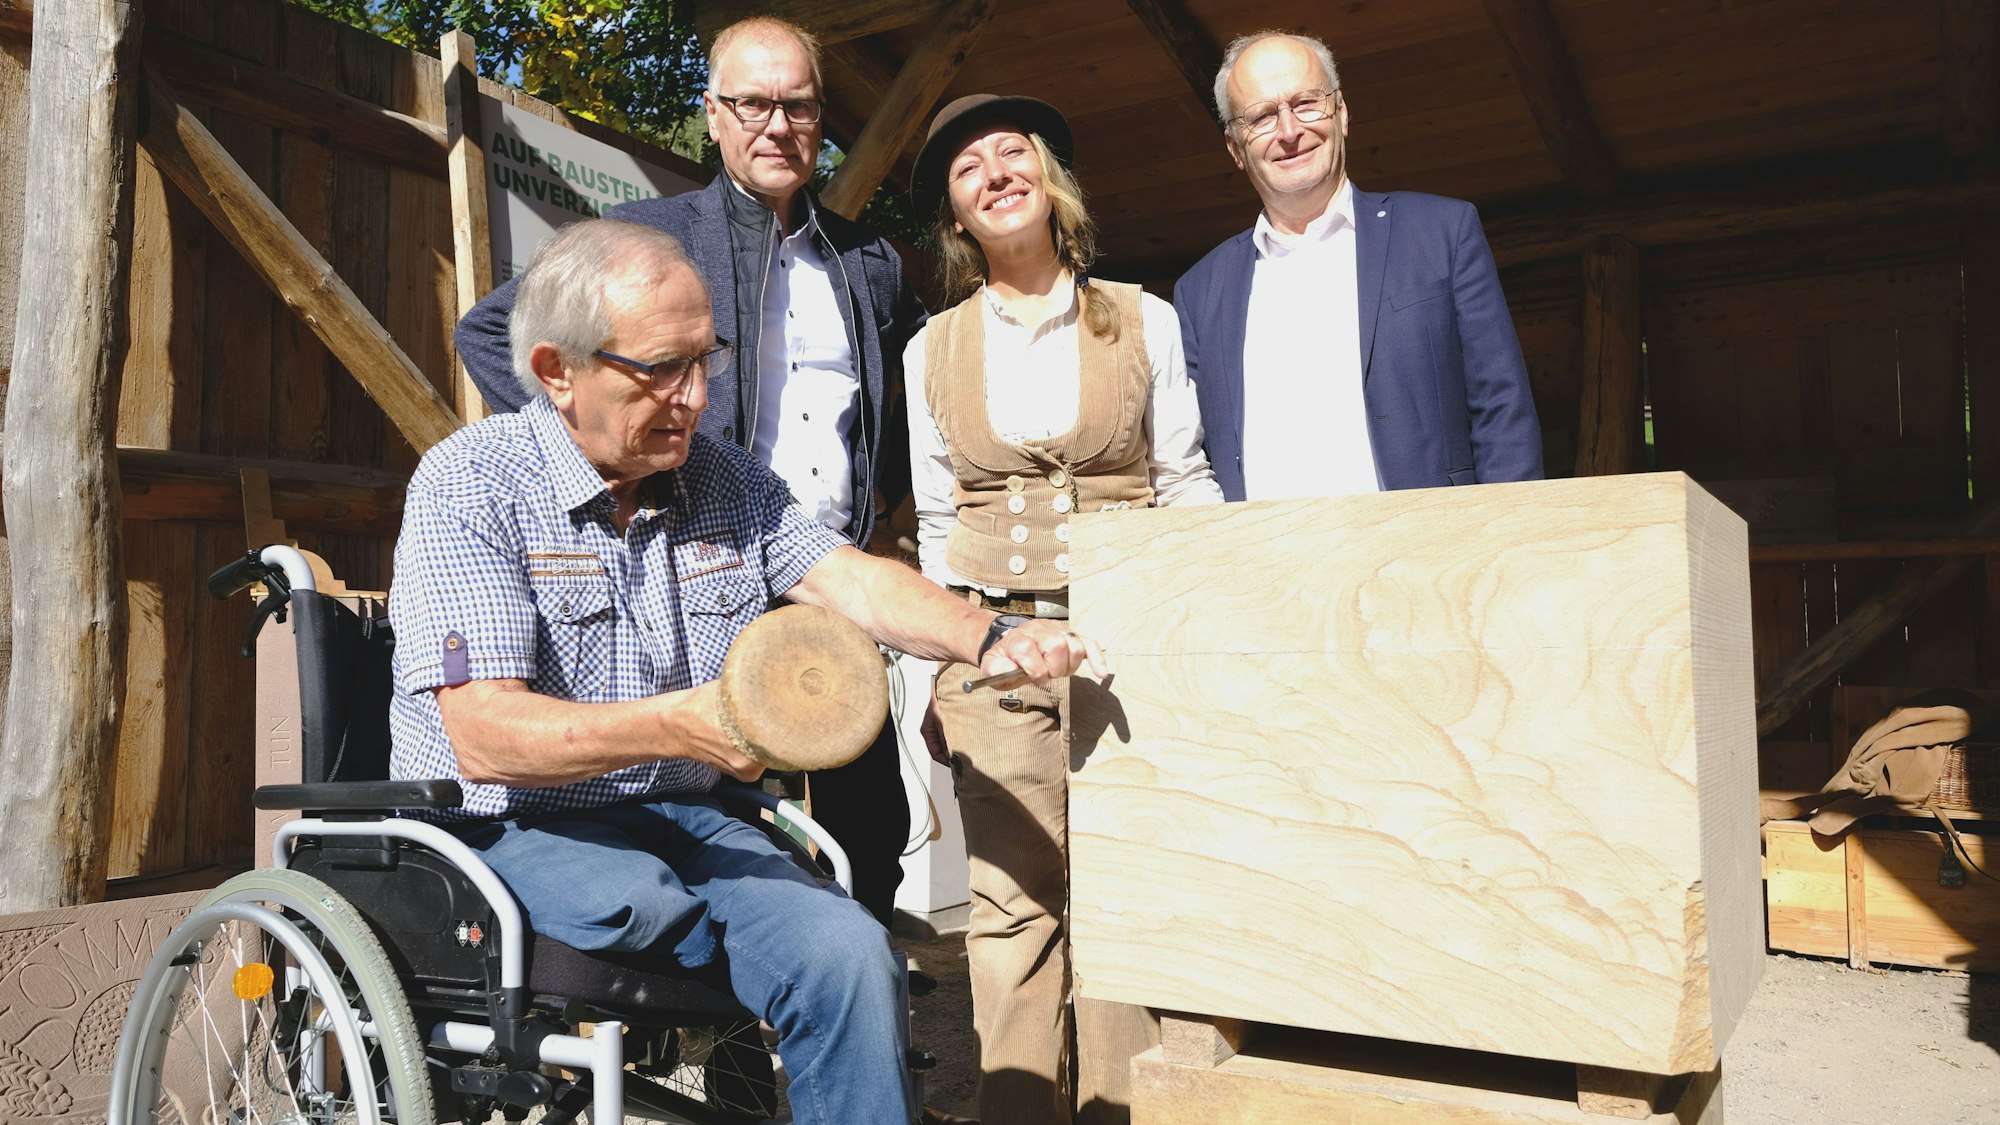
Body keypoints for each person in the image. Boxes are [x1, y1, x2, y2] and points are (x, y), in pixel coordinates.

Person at [391, 218, 1101, 1125]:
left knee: (851, 954)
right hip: (515, 822)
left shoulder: (720, 476)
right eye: (659, 368)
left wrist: (989, 634)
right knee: (636, 906)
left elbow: (847, 578)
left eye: (705, 360)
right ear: (556, 370)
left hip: (693, 815)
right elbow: (483, 737)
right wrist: (683, 723)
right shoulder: (470, 483)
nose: (693, 397)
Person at [453, 16, 927, 927]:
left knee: (868, 819)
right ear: (712, 115)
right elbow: (490, 333)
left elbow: (897, 416)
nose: (775, 124)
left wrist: (877, 509)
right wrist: (594, 452)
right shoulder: (645, 238)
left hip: (828, 576)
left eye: (796, 104)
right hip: (704, 564)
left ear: (821, 117)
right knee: (729, 818)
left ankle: (855, 997)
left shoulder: (869, 263)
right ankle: (745, 1061)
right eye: (752, 103)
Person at [903, 94, 1224, 1125]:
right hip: (991, 654)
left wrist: (1198, 635)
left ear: (1049, 180)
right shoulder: (929, 350)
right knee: (1006, 907)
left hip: (1126, 642)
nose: (994, 173)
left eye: (1013, 154)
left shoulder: (1143, 317)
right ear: (955, 214)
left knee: (1132, 897)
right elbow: (937, 521)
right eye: (968, 168)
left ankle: (1128, 1110)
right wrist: (931, 674)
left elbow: (1183, 480)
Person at [1175, 30, 1543, 501]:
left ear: (1342, 113)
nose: (1289, 131)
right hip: (1268, 565)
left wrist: (1507, 542)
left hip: (1431, 555)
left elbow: (1503, 409)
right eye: (1262, 117)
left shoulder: (1442, 233)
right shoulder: (1200, 291)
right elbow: (1185, 458)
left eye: (1306, 103)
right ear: (1235, 148)